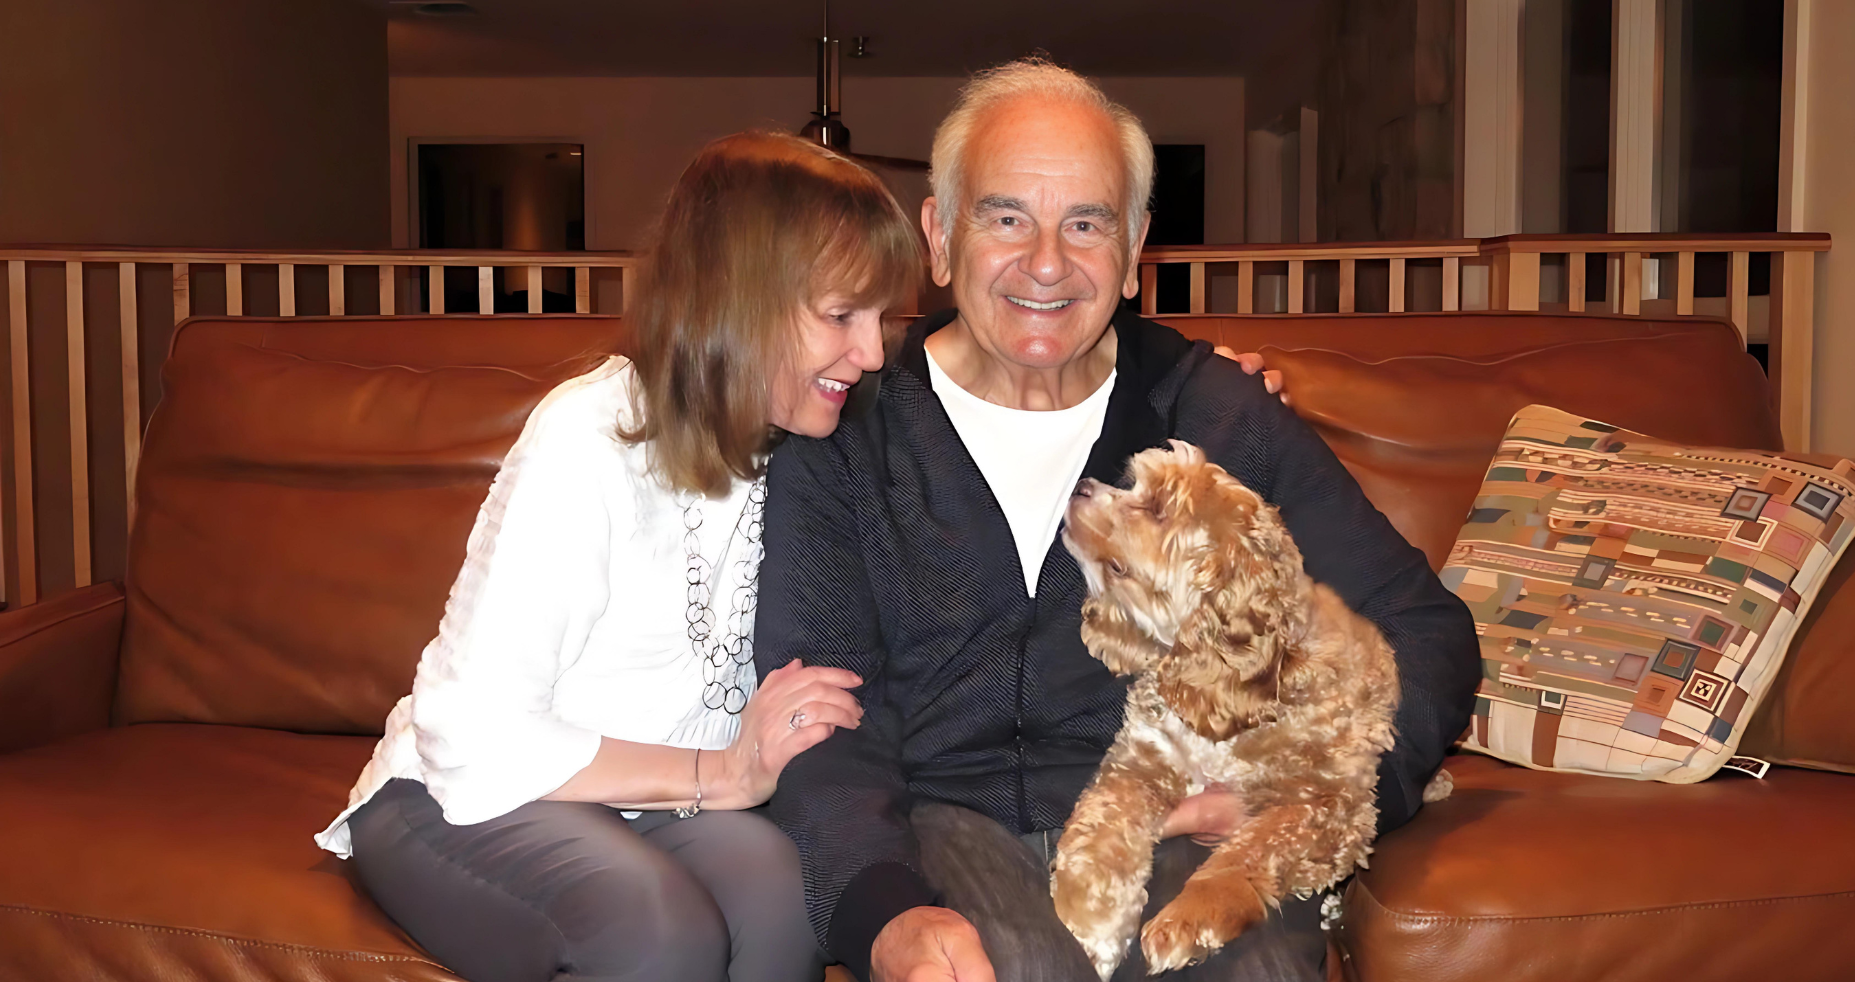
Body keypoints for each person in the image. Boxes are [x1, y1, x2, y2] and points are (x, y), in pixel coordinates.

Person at [756, 60, 1480, 982]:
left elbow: (1422, 631)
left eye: (1087, 223)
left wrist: (1311, 796)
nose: (1047, 262)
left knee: (1244, 966)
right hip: (935, 818)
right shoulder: (848, 426)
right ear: (939, 236)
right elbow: (821, 712)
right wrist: (879, 913)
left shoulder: (1216, 418)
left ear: (1136, 247)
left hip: (1166, 804)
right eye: (1006, 216)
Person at [315, 131, 923, 982]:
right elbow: (473, 735)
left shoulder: (809, 450)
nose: (869, 353)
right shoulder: (590, 436)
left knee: (789, 898)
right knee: (657, 931)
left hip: (647, 807)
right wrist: (723, 772)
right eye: (840, 316)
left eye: (878, 318)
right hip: (461, 795)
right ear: (736, 300)